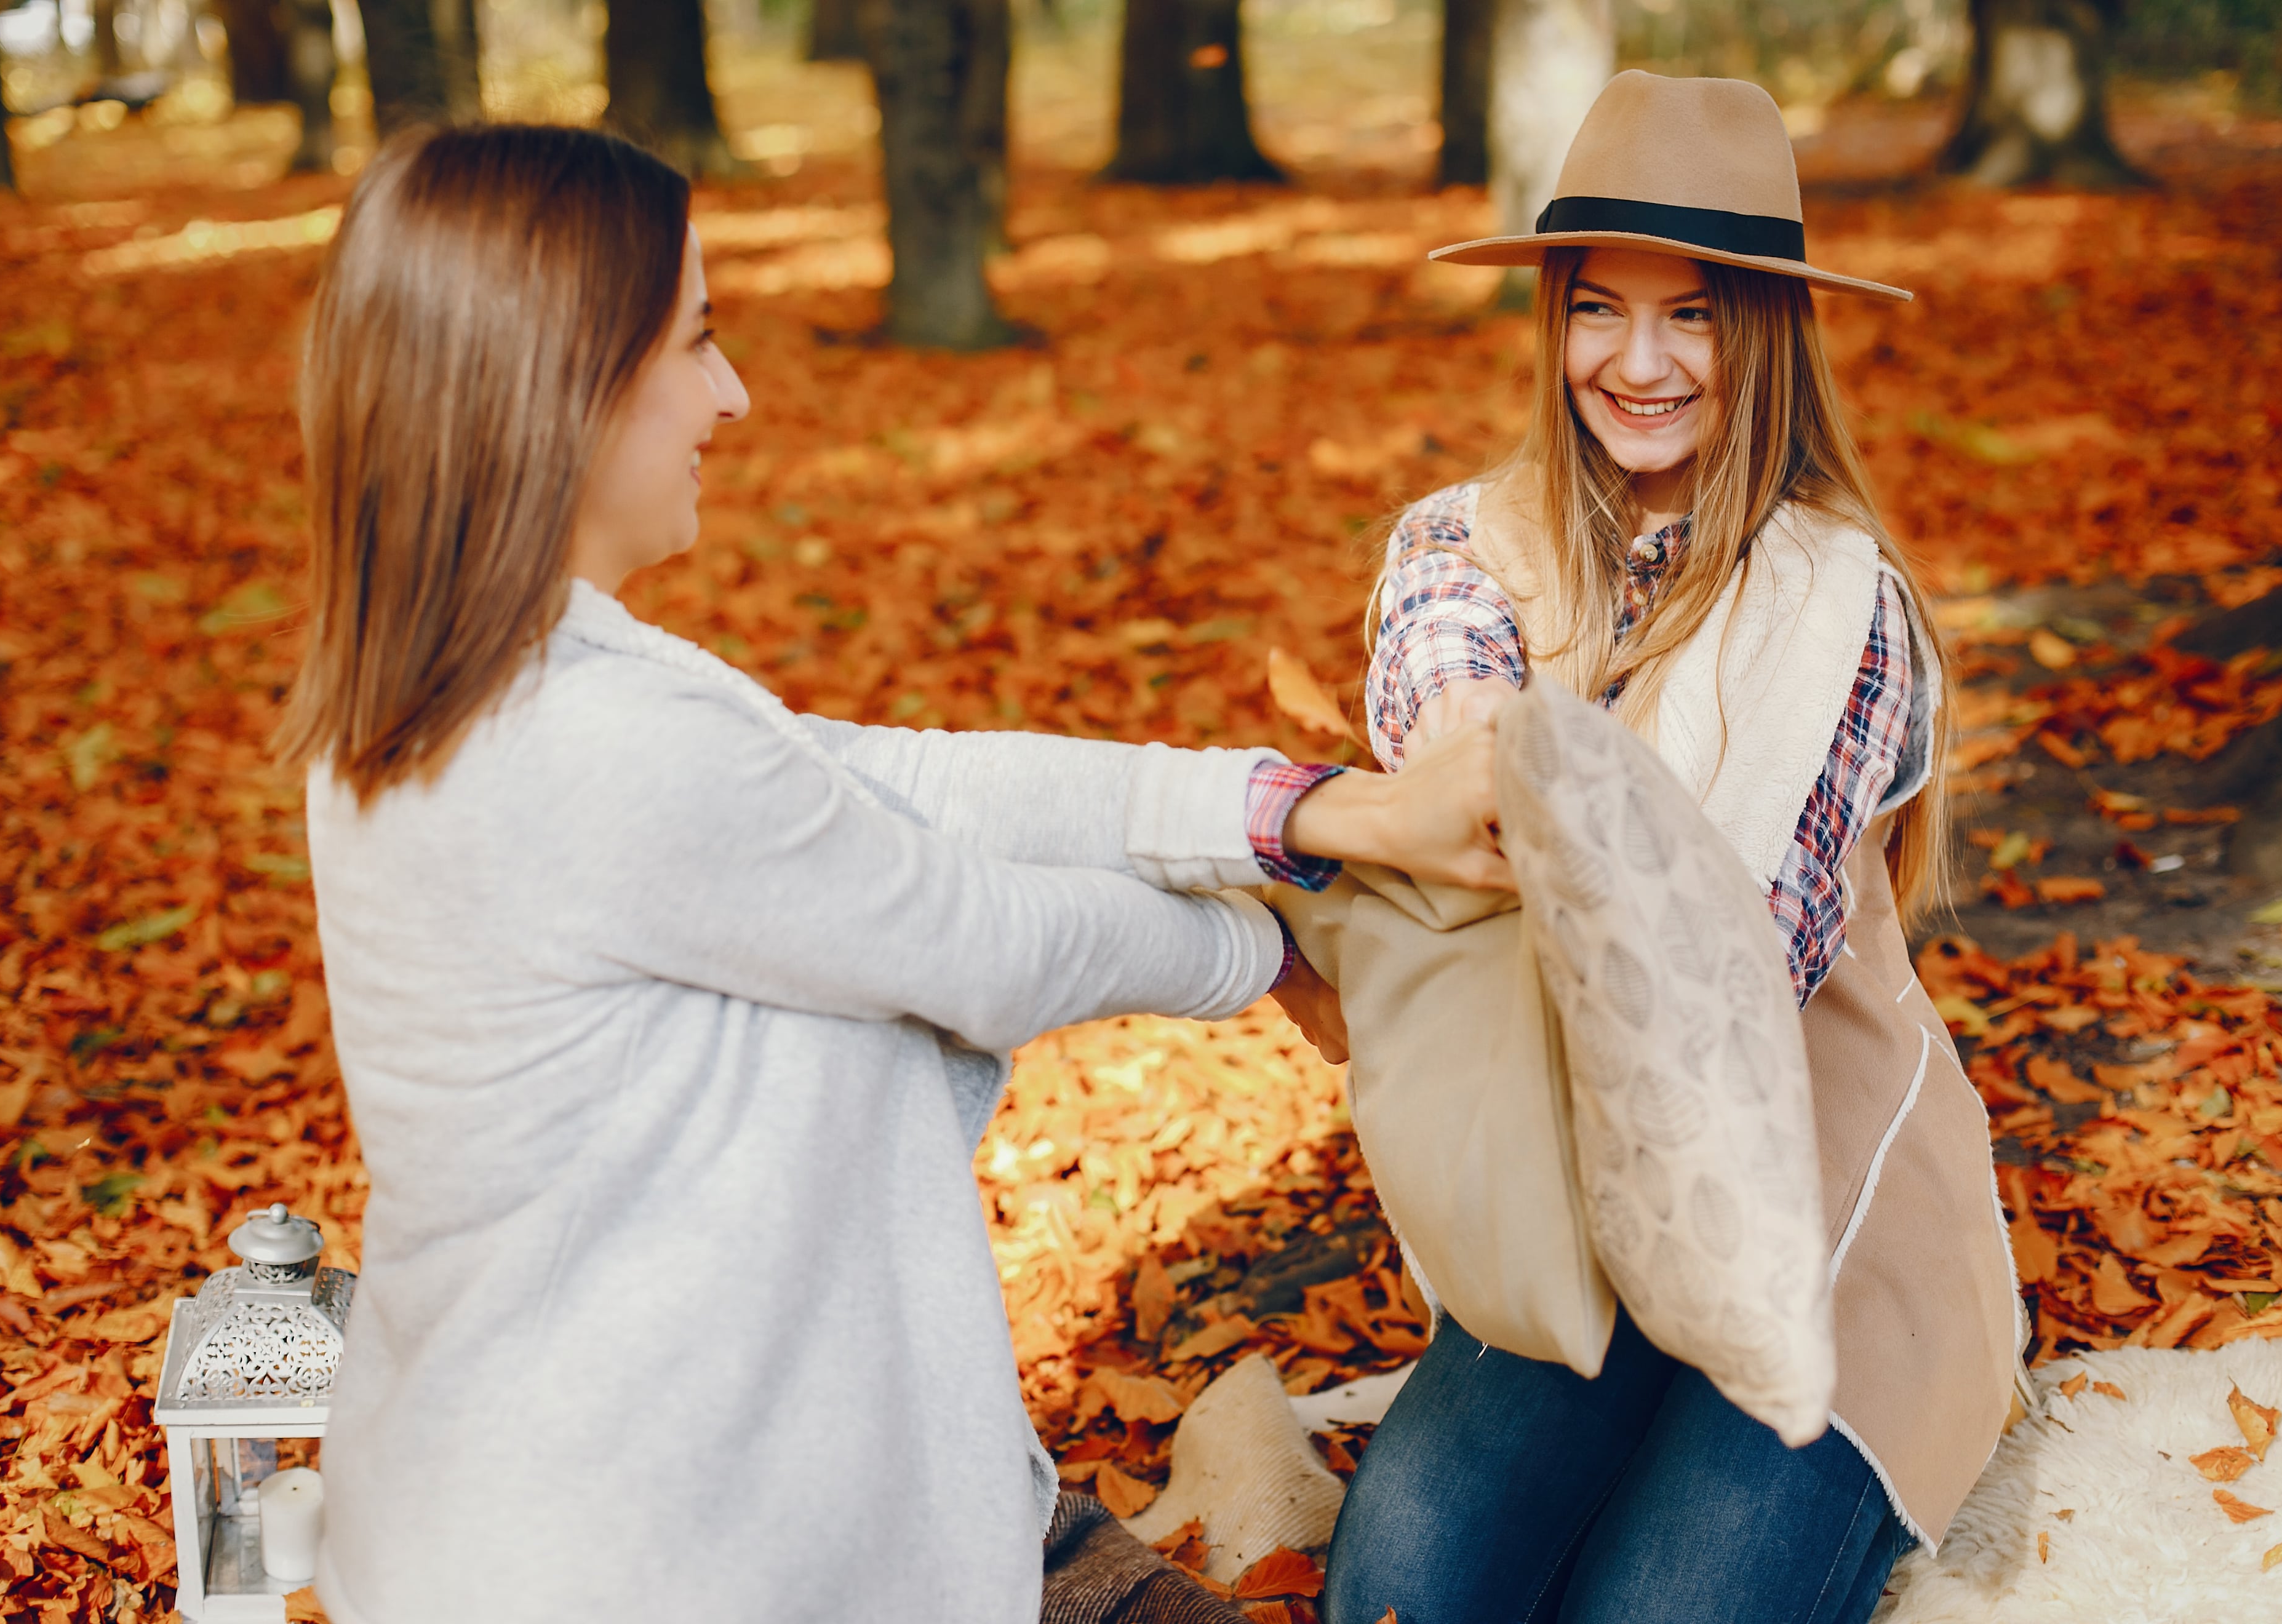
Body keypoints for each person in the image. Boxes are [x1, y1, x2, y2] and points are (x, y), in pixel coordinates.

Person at [279, 124, 1500, 1624]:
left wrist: (1311, 817)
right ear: (563, 387)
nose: (732, 394)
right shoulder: (590, 743)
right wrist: (1263, 951)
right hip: (654, 1553)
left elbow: (911, 782)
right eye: (700, 341)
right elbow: (977, 937)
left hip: (763, 1489)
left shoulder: (476, 692)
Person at [1315, 73, 2023, 1624]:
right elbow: (1454, 753)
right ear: (1552, 319)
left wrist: (1491, 839)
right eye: (1597, 310)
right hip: (1571, 1213)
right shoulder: (1458, 544)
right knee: (1407, 1593)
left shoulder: (1845, 605)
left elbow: (1734, 971)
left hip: (1813, 1215)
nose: (1637, 366)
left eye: (1692, 316)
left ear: (1763, 330)